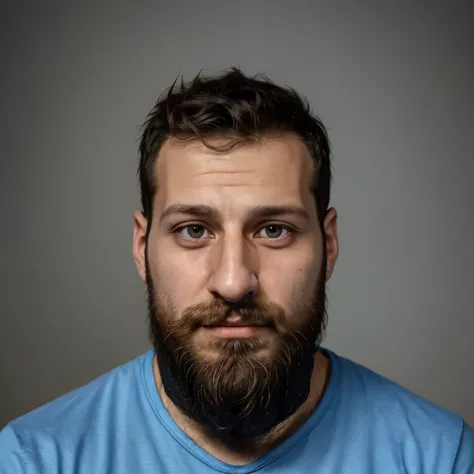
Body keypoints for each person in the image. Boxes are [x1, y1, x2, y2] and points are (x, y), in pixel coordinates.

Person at [0, 68, 472, 473]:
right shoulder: (35, 460)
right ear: (142, 247)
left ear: (328, 245)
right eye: (192, 230)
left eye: (273, 231)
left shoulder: (438, 458)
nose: (233, 281)